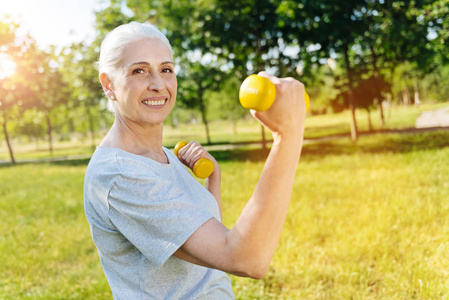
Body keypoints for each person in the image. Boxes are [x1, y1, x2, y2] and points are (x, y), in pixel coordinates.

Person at [84, 21, 306, 300]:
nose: (158, 84)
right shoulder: (120, 175)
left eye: (166, 69)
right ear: (109, 85)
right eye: (139, 71)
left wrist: (214, 179)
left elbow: (210, 250)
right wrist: (288, 135)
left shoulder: (165, 157)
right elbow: (247, 259)